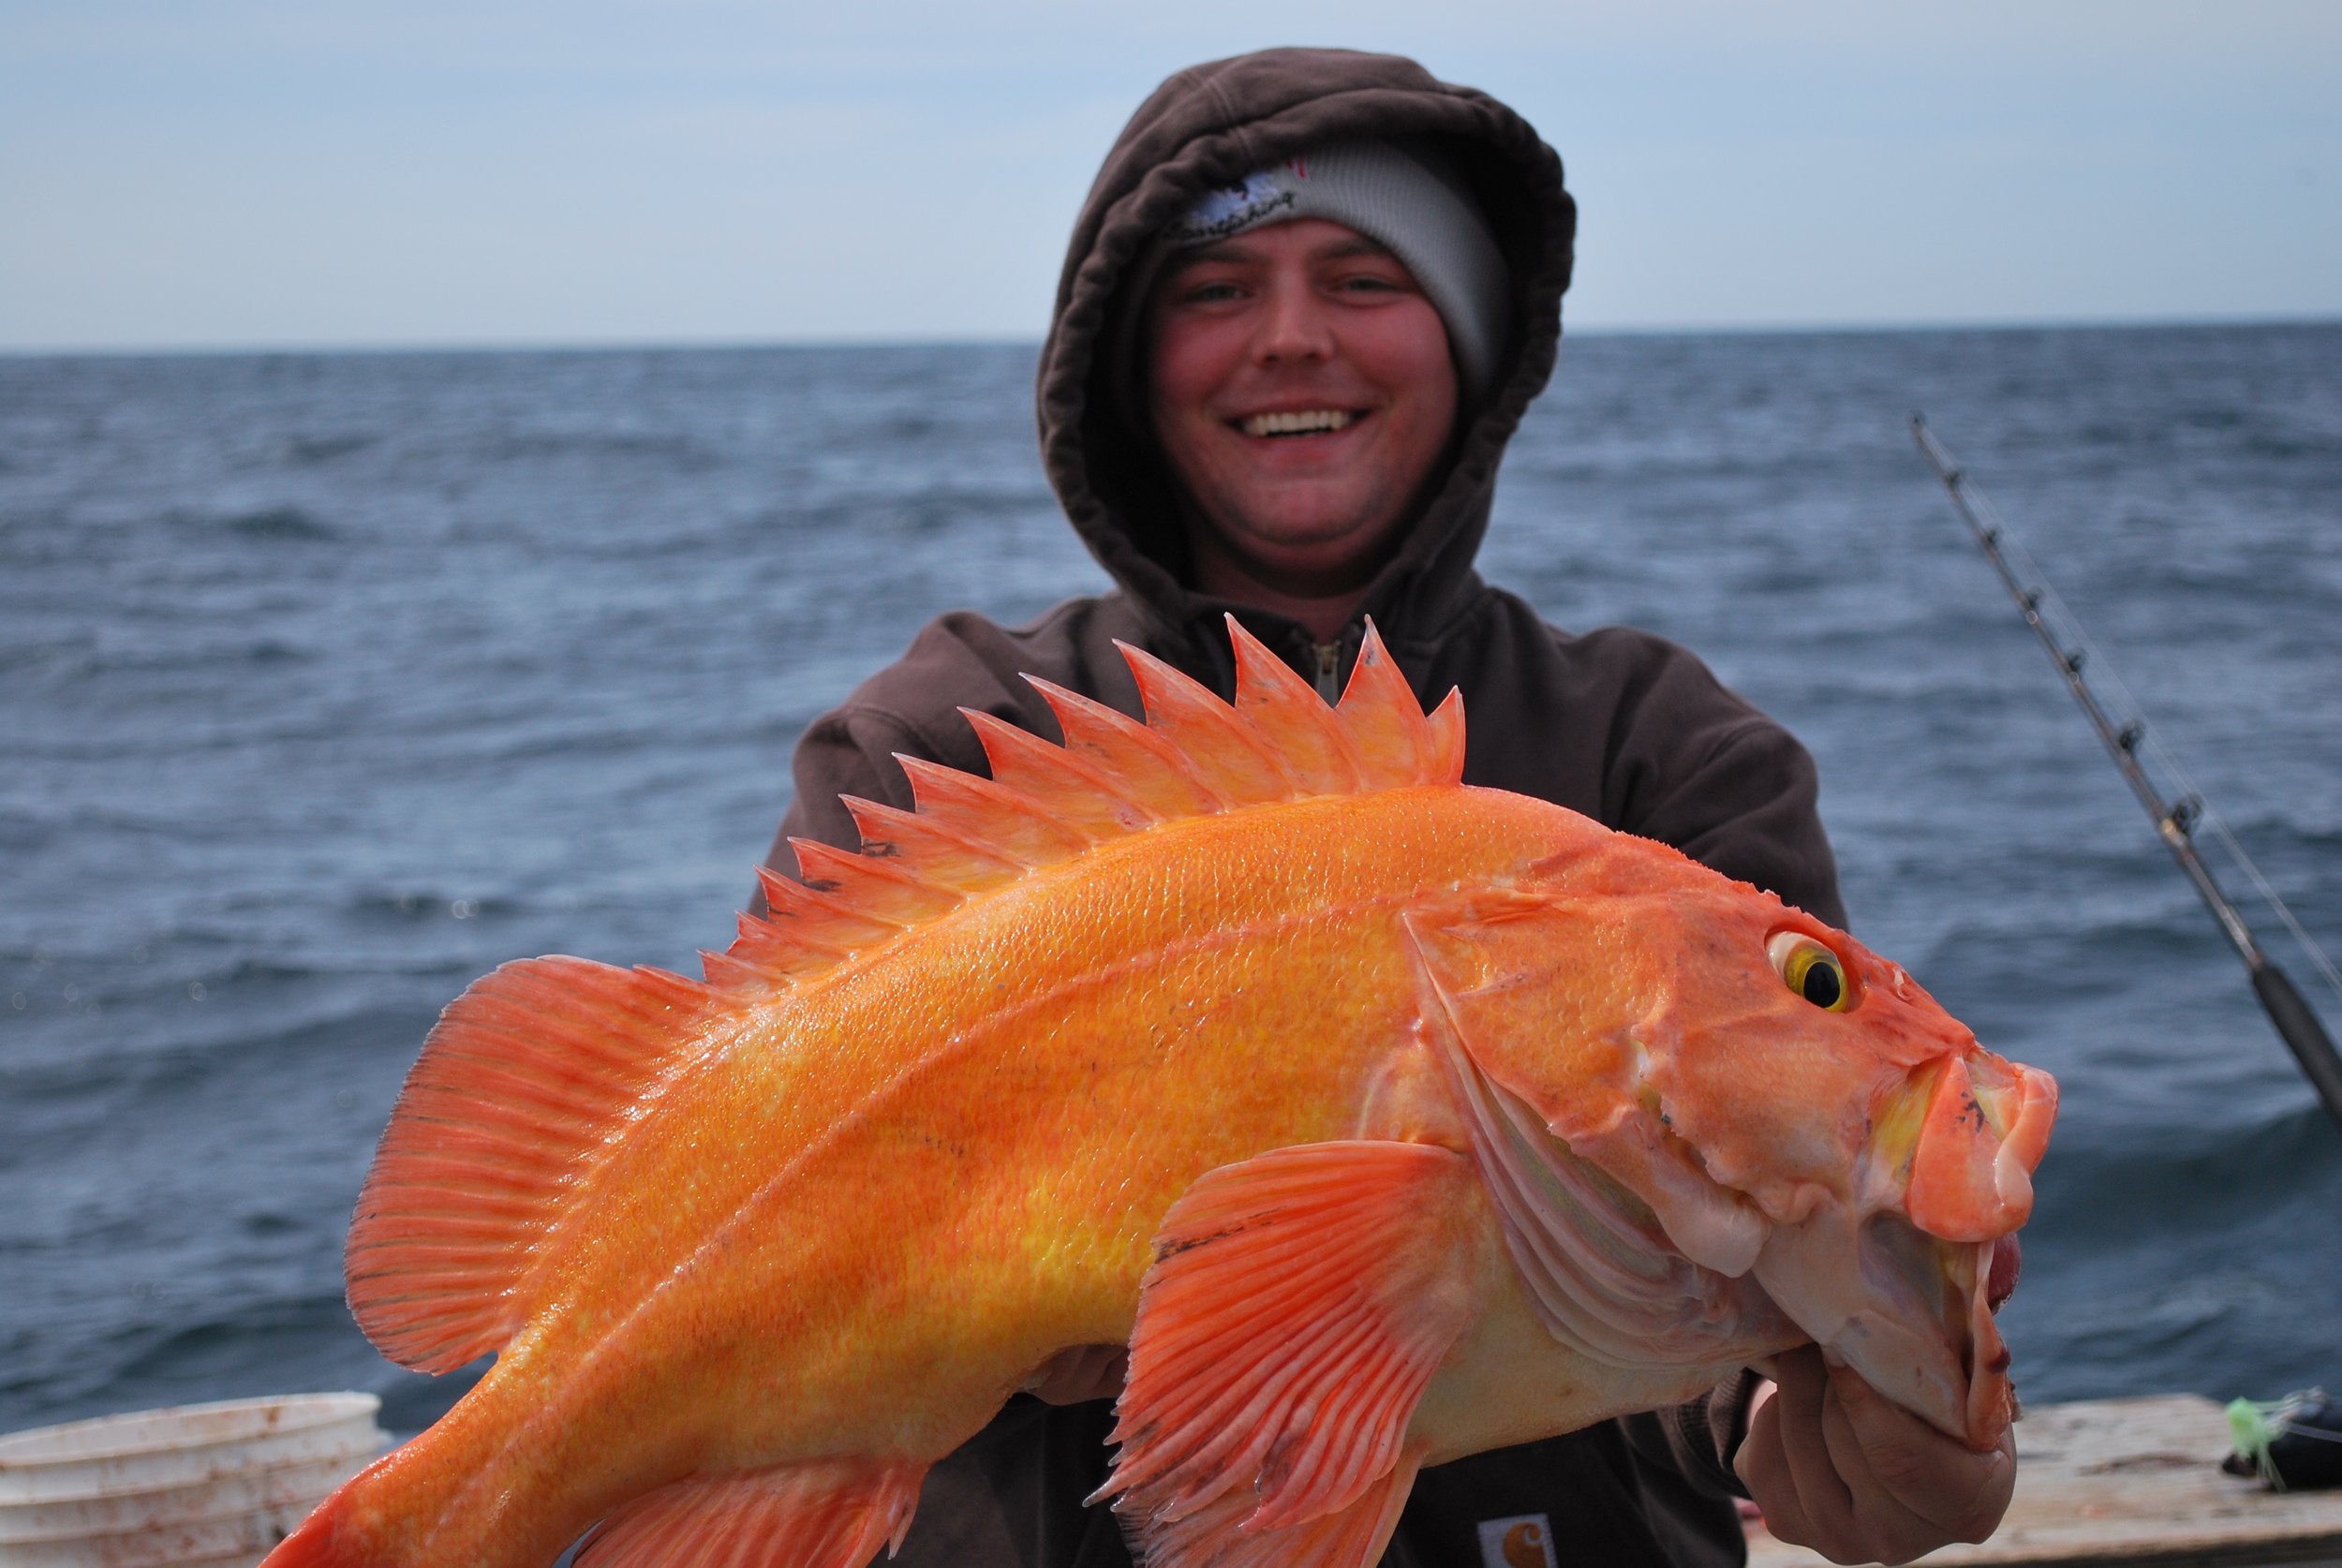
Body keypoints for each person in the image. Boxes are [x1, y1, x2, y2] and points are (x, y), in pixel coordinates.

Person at [758, 46, 2014, 1568]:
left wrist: (1828, 1435)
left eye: (1364, 277)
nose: (1290, 340)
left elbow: (1733, 1332)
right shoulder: (952, 740)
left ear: (1471, 342)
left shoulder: (1663, 756)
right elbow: (775, 1242)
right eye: (1215, 289)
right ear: (1125, 357)